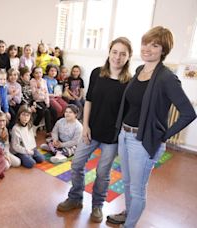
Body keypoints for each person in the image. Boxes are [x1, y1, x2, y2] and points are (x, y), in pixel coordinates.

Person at [108, 27, 196, 228]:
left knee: (138, 190)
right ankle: (129, 214)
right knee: (128, 184)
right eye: (145, 43)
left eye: (154, 45)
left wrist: (163, 136)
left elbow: (189, 113)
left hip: (143, 141)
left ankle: (129, 225)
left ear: (163, 50)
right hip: (125, 135)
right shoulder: (140, 70)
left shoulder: (167, 77)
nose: (147, 48)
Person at [56, 37, 133, 223]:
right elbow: (88, 100)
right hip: (91, 130)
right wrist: (85, 126)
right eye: (115, 52)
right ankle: (75, 198)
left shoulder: (130, 82)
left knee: (102, 173)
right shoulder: (97, 73)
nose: (118, 57)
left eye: (123, 53)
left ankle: (97, 205)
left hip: (112, 136)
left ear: (129, 57)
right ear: (109, 52)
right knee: (76, 164)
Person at [30, 66, 57, 136]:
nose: (38, 75)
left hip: (44, 101)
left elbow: (46, 92)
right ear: (33, 74)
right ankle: (40, 127)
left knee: (54, 110)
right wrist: (38, 88)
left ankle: (53, 128)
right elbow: (34, 95)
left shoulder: (44, 81)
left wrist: (47, 102)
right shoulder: (32, 81)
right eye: (36, 73)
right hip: (36, 101)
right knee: (45, 111)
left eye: (40, 73)